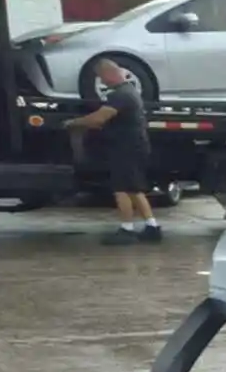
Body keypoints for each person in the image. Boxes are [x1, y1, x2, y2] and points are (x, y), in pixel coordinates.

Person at [65, 59, 160, 244]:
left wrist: (73, 122)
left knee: (122, 189)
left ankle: (127, 230)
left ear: (109, 74)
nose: (102, 81)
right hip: (134, 146)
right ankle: (152, 226)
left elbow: (98, 119)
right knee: (134, 188)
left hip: (126, 147)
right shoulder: (129, 91)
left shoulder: (120, 95)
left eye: (102, 77)